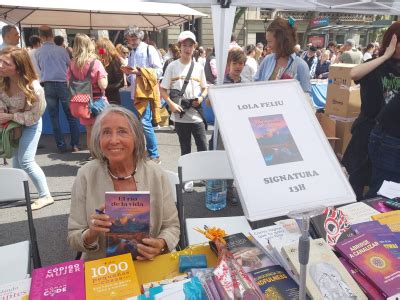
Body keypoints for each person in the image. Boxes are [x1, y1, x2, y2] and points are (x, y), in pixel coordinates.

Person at [68, 105, 180, 261]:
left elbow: (172, 227)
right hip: (104, 268)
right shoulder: (86, 175)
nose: (114, 140)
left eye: (122, 131)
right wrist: (91, 233)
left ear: (136, 137)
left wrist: (161, 244)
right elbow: (74, 237)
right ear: (98, 139)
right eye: (106, 132)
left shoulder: (155, 173)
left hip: (149, 261)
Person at [342, 21, 400, 199]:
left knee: (382, 186)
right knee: (357, 181)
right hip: (367, 131)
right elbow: (354, 74)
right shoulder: (377, 64)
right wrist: (385, 56)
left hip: (391, 136)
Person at [0, 46, 54, 210]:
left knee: (26, 160)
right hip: (12, 125)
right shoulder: (3, 81)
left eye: (5, 63)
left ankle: (45, 196)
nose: (0, 65)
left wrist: (10, 116)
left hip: (30, 124)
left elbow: (35, 116)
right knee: (16, 159)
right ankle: (17, 193)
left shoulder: (34, 88)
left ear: (18, 67)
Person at [160, 31, 208, 192]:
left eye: (190, 45)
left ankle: (205, 175)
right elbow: (163, 89)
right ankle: (187, 178)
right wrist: (171, 105)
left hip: (196, 113)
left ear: (194, 47)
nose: (187, 48)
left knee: (203, 146)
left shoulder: (199, 67)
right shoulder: (172, 66)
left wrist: (201, 98)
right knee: (185, 148)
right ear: (179, 46)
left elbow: (205, 88)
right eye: (184, 45)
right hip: (179, 115)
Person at [35, 25, 80, 153]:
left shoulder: (38, 52)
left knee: (54, 117)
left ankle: (61, 146)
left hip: (48, 85)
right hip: (62, 84)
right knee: (71, 116)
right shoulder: (62, 50)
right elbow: (70, 66)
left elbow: (38, 70)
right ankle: (75, 144)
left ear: (41, 36)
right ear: (52, 35)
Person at [121, 25, 162, 164]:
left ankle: (154, 155)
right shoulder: (132, 51)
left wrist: (138, 72)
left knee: (145, 123)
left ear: (140, 37)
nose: (131, 41)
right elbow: (133, 72)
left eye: (134, 38)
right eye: (129, 39)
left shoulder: (149, 49)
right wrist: (128, 71)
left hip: (146, 92)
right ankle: (146, 152)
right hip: (137, 92)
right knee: (142, 123)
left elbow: (158, 71)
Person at [67, 33, 108, 152]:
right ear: (89, 45)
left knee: (89, 131)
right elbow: (103, 85)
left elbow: (68, 84)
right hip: (97, 102)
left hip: (82, 103)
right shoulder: (95, 63)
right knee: (102, 130)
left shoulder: (72, 64)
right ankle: (102, 155)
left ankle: (93, 155)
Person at [254, 17, 311, 95]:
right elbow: (255, 84)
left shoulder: (301, 66)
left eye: (270, 41)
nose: (267, 46)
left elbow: (307, 96)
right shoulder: (267, 60)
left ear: (282, 41)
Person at [96, 38, 124, 105]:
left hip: (113, 98)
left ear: (105, 48)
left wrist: (105, 87)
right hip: (101, 99)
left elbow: (120, 83)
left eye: (98, 48)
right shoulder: (100, 61)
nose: (97, 50)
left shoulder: (115, 61)